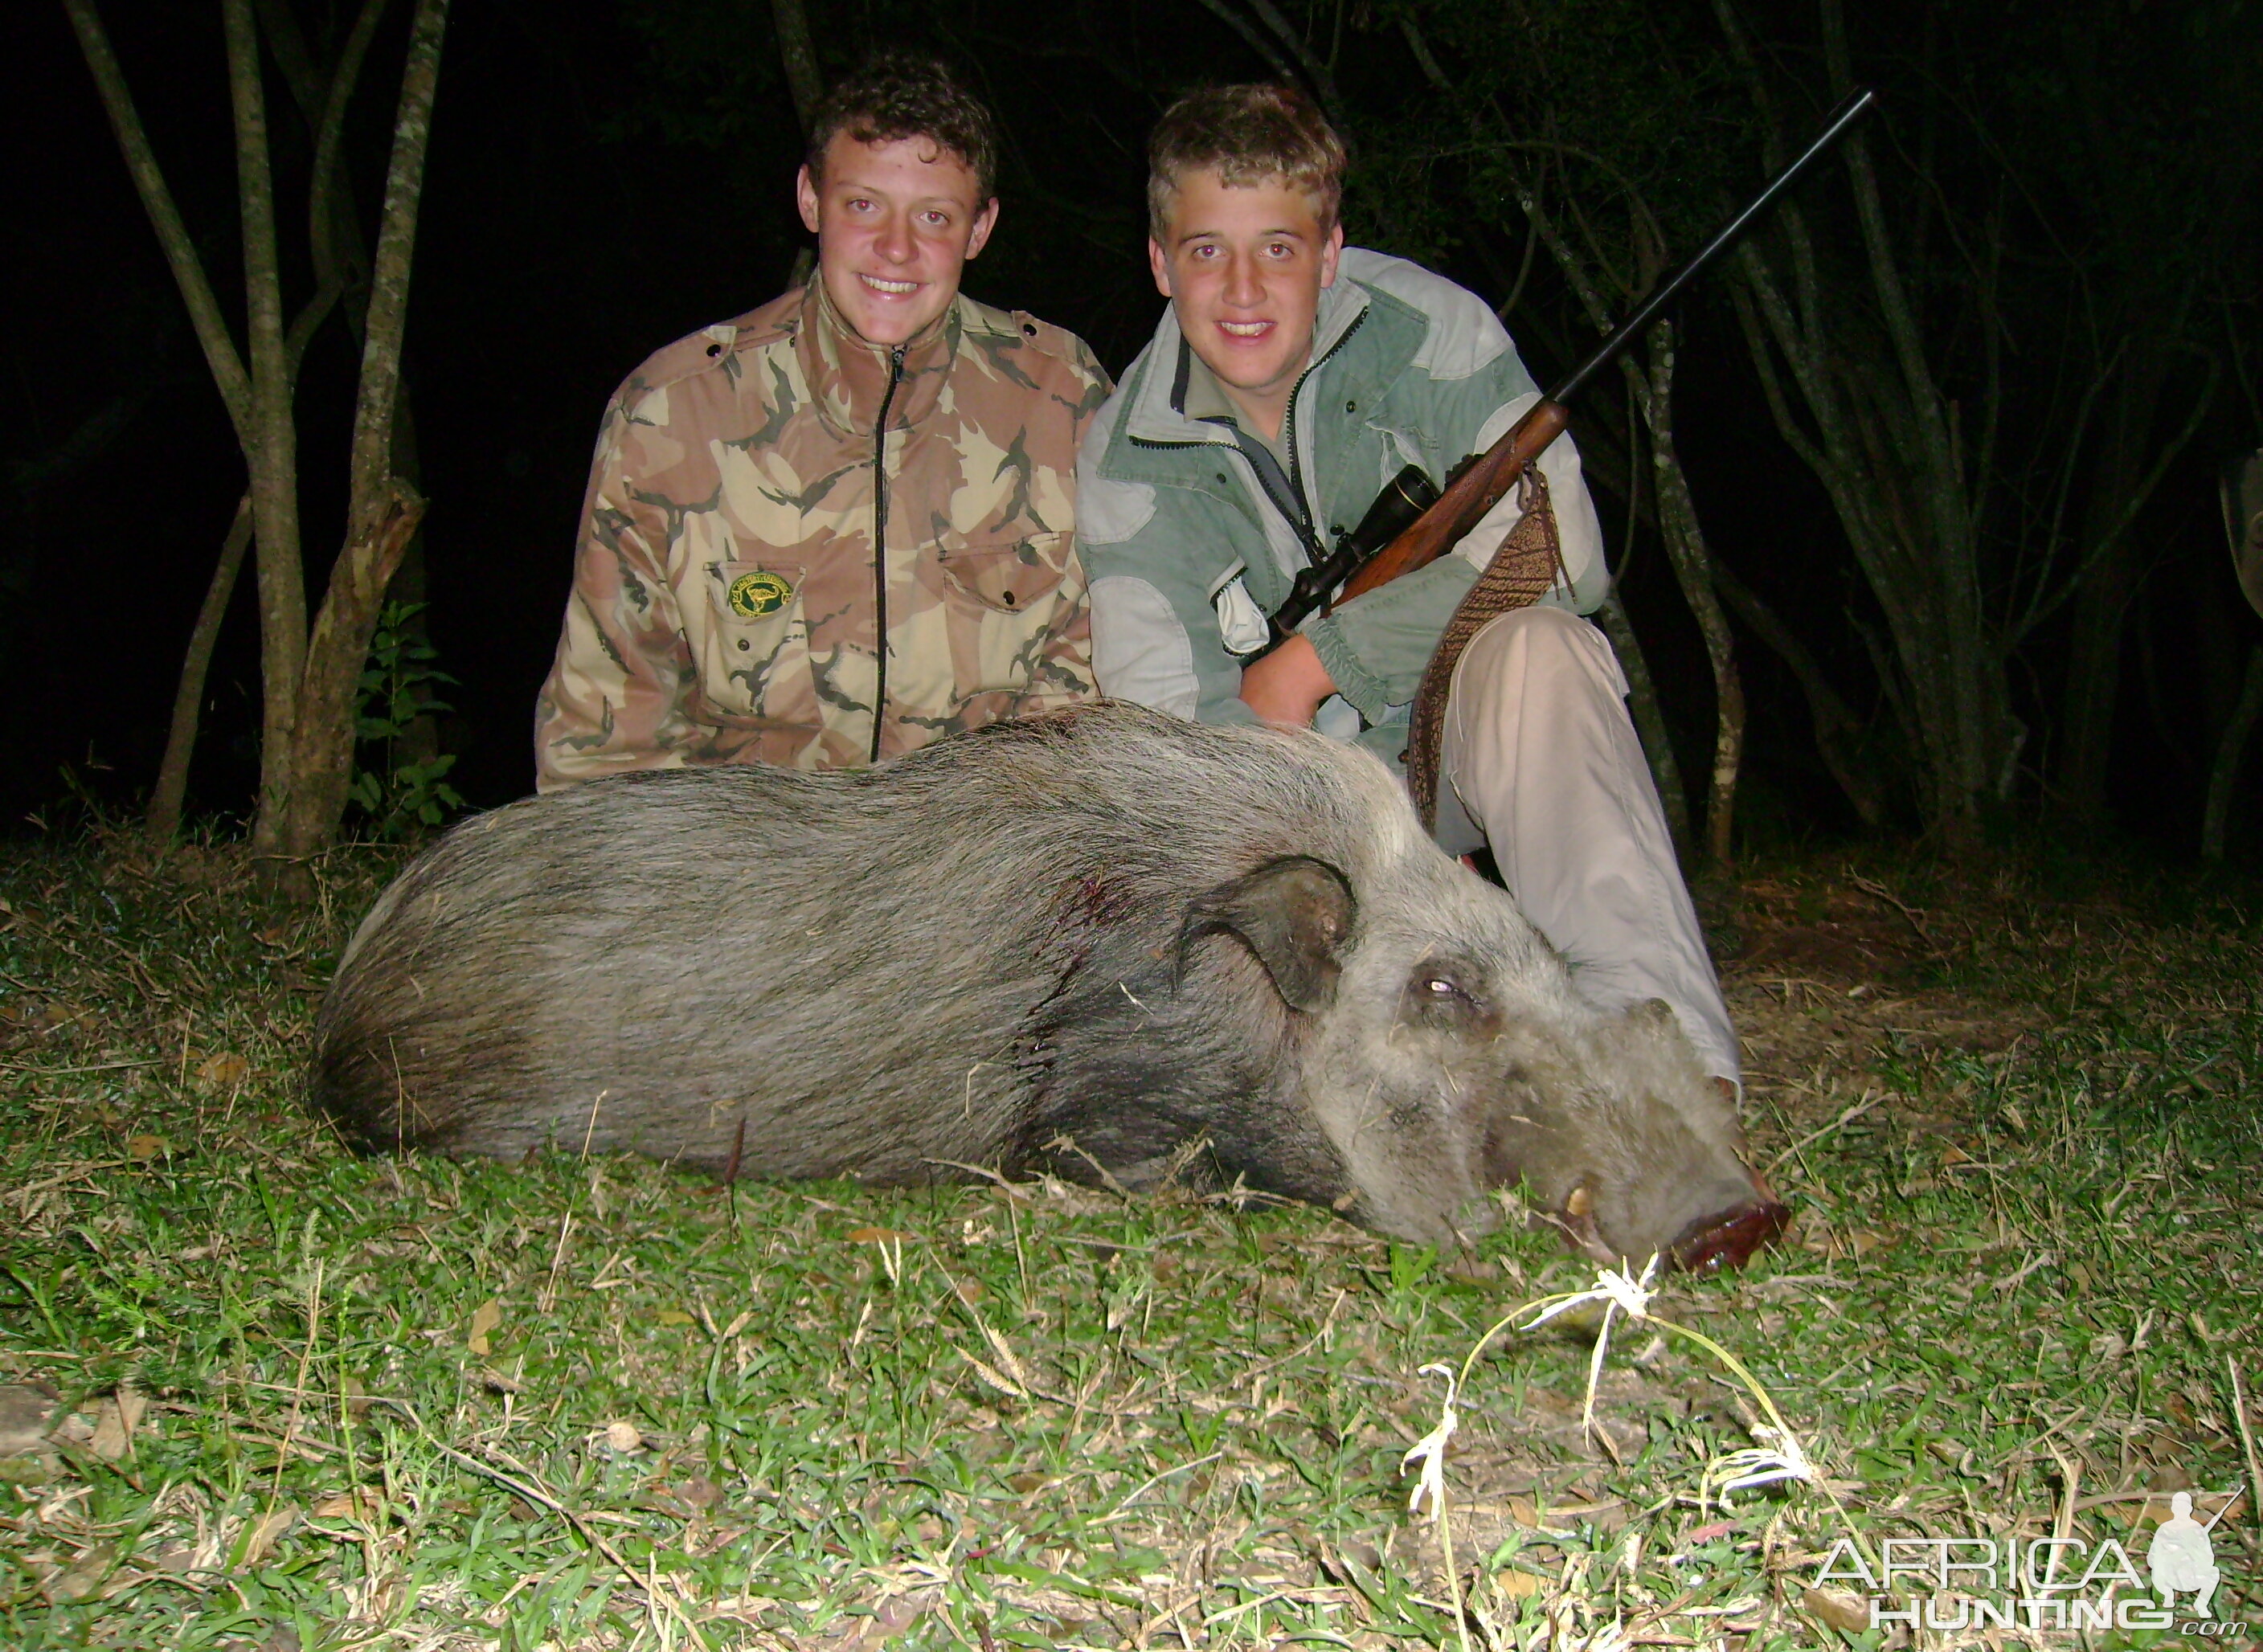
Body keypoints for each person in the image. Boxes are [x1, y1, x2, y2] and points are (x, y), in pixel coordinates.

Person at [1074, 84, 1741, 1086]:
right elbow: (1167, 733)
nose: (1245, 290)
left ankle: (1670, 1072)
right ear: (1162, 265)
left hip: (1447, 753)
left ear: (1330, 252)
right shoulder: (1123, 454)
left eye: (1280, 248)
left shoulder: (1430, 332)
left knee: (1546, 652)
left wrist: (1322, 656)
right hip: (1286, 820)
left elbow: (1564, 554)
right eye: (1208, 250)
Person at [535, 55, 1107, 787]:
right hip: (745, 866)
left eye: (934, 216)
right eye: (863, 205)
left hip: (974, 863)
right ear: (811, 201)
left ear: (980, 229)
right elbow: (608, 733)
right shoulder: (672, 416)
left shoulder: (1061, 400)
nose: (896, 249)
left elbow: (1090, 699)